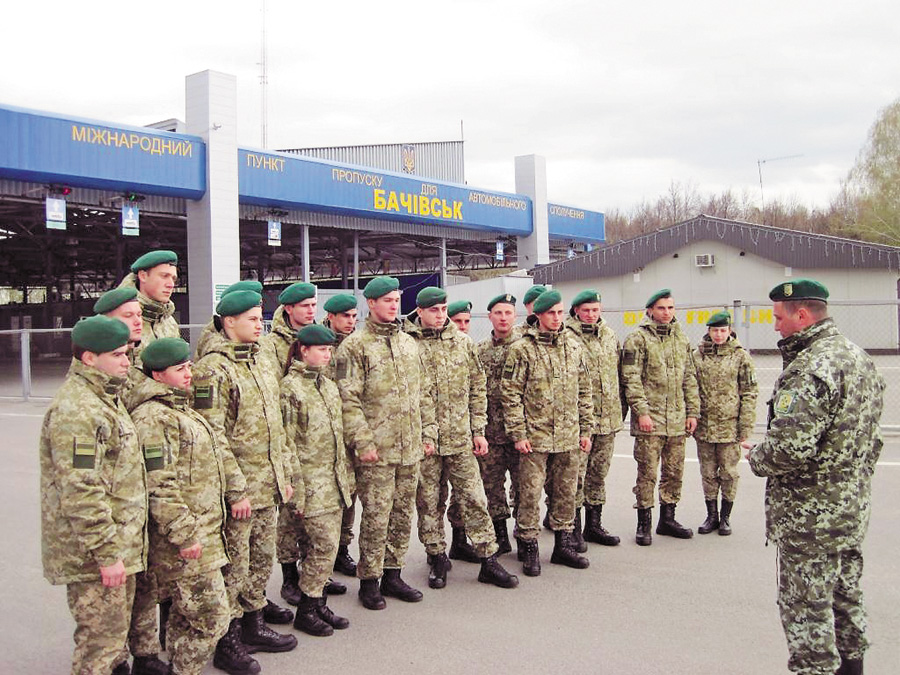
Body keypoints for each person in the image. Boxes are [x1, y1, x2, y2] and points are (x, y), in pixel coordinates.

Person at [747, 279, 885, 675]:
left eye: (778, 318)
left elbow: (789, 449)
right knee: (845, 598)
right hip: (850, 508)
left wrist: (758, 456)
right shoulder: (858, 357)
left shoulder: (810, 368)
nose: (774, 327)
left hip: (810, 519)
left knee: (807, 612)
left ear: (802, 315)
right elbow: (867, 438)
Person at [192, 290, 299, 660]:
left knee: (260, 559)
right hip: (241, 490)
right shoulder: (212, 369)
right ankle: (228, 638)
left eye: (260, 318)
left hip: (267, 484)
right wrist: (236, 490)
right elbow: (211, 434)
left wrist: (283, 474)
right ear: (229, 322)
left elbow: (277, 427)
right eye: (252, 319)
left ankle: (254, 623)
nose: (260, 324)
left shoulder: (260, 362)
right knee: (234, 566)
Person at [40, 315, 148, 675]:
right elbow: (81, 489)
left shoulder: (104, 397)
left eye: (128, 353)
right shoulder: (78, 410)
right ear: (88, 358)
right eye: (117, 355)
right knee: (99, 646)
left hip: (119, 543)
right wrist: (106, 553)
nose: (126, 362)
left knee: (114, 641)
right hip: (96, 553)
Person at [129, 338, 234, 675]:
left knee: (183, 616)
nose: (189, 373)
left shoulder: (180, 408)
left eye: (189, 366)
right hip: (185, 541)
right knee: (213, 616)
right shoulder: (152, 418)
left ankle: (180, 665)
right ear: (158, 375)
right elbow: (160, 484)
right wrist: (185, 535)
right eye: (180, 369)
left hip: (205, 532)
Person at [333, 276, 437, 610]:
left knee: (402, 514)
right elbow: (347, 399)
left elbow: (423, 394)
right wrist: (363, 443)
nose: (394, 305)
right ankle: (369, 580)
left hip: (410, 448)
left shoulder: (408, 343)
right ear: (371, 304)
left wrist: (428, 433)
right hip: (376, 450)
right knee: (376, 516)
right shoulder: (354, 346)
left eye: (396, 300)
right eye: (387, 300)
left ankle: (393, 573)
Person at [406, 287, 518, 590]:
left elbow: (477, 387)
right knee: (430, 501)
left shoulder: (462, 342)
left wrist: (478, 430)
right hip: (425, 442)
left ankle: (488, 558)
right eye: (434, 310)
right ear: (420, 311)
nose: (440, 315)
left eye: (443, 309)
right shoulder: (408, 343)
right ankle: (437, 556)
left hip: (459, 438)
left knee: (474, 498)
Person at [95, 288, 170, 674]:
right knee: (109, 603)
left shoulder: (132, 365)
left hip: (141, 493)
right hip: (114, 503)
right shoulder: (100, 382)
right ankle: (117, 658)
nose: (138, 320)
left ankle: (144, 653)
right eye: (128, 315)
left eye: (139, 314)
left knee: (144, 581)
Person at [260, 282, 348, 605]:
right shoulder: (271, 345)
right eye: (305, 306)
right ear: (288, 309)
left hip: (319, 435)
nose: (312, 311)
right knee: (290, 519)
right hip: (291, 434)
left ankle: (315, 578)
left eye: (314, 305)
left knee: (316, 523)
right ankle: (289, 578)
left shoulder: (320, 343)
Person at [500, 289, 593, 576]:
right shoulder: (522, 349)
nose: (556, 318)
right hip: (535, 437)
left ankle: (563, 544)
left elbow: (585, 390)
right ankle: (528, 546)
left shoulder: (574, 347)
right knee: (529, 493)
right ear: (538, 316)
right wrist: (518, 433)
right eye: (550, 313)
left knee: (566, 491)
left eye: (560, 312)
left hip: (568, 435)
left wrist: (586, 429)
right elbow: (510, 394)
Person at [281, 325, 356, 637]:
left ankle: (317, 601)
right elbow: (286, 443)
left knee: (325, 545)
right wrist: (295, 490)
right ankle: (307, 610)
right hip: (310, 484)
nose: (327, 355)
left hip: (333, 481)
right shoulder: (290, 389)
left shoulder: (325, 385)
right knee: (323, 545)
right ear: (304, 351)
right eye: (322, 350)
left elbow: (336, 435)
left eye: (329, 350)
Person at [621, 288, 700, 545]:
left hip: (677, 420)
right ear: (650, 311)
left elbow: (689, 378)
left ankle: (667, 519)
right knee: (647, 473)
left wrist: (692, 412)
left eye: (670, 308)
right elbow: (631, 378)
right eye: (661, 308)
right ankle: (643, 523)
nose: (666, 313)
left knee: (674, 471)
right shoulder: (637, 339)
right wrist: (641, 412)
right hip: (650, 421)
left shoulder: (682, 339)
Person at [562, 290, 623, 548]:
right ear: (576, 310)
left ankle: (593, 525)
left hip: (607, 419)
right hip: (579, 421)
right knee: (575, 476)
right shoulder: (566, 336)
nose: (591, 314)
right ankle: (572, 527)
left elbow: (619, 374)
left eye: (595, 309)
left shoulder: (609, 336)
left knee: (598, 474)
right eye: (586, 310)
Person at [693, 310, 757, 536]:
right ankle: (711, 515)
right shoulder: (698, 355)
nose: (719, 335)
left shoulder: (740, 357)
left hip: (730, 426)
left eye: (722, 330)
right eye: (714, 331)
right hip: (705, 426)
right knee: (708, 472)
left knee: (729, 473)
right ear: (708, 331)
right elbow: (691, 388)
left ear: (729, 331)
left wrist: (745, 426)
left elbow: (749, 392)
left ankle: (725, 517)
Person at [475, 294, 521, 555]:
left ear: (515, 317)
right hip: (491, 433)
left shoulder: (525, 346)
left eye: (508, 313)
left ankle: (525, 536)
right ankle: (500, 535)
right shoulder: (480, 350)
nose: (503, 318)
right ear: (490, 316)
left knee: (523, 488)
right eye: (498, 313)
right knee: (492, 487)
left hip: (519, 434)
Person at [321, 293, 360, 578]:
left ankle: (342, 549)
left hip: (352, 430)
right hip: (325, 434)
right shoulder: (318, 343)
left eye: (354, 316)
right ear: (331, 317)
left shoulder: (356, 345)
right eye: (345, 316)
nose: (350, 321)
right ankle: (320, 556)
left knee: (350, 495)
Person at [120, 249, 181, 357]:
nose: (171, 284)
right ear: (143, 276)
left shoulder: (169, 322)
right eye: (164, 276)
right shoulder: (118, 319)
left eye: (173, 278)